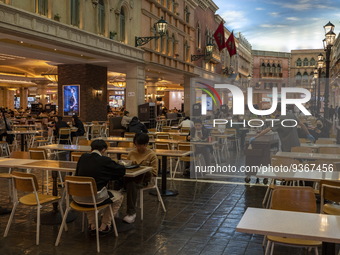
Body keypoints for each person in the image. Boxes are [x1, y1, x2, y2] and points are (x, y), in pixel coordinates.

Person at [74, 140, 126, 234]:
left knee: (88, 192)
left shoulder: (83, 157)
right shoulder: (105, 160)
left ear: (91, 149)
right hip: (96, 198)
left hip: (77, 197)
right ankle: (105, 225)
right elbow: (121, 171)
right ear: (103, 150)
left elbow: (77, 173)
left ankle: (92, 225)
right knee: (118, 197)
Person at [249, 104, 315, 152]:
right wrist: (308, 134)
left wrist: (256, 137)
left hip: (287, 146)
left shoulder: (280, 119)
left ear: (277, 110)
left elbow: (268, 129)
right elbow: (302, 125)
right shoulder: (292, 115)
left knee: (287, 164)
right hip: (296, 144)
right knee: (296, 163)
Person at [123, 133, 158, 223]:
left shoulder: (151, 155)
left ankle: (131, 213)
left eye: (139, 145)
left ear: (145, 144)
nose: (137, 147)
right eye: (136, 144)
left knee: (131, 185)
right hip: (131, 176)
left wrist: (141, 169)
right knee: (114, 181)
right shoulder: (132, 153)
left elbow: (154, 172)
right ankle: (111, 211)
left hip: (145, 179)